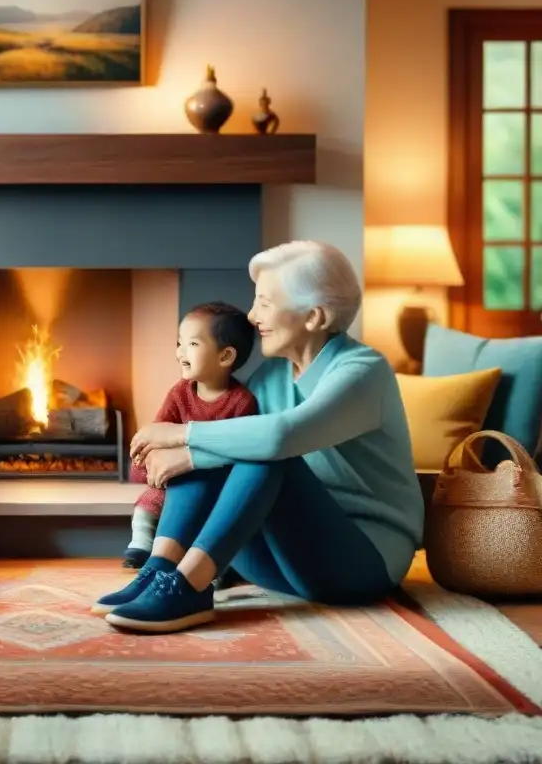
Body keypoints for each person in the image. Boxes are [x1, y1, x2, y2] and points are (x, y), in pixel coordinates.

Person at [92, 240, 424, 634]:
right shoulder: (270, 378)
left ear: (314, 317)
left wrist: (183, 438)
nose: (251, 316)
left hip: (360, 565)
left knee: (256, 450)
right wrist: (193, 450)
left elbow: (283, 436)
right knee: (227, 445)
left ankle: (191, 586)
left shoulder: (363, 372)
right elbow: (239, 444)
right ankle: (160, 570)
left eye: (265, 303)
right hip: (282, 563)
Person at [123, 302, 258, 569]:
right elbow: (161, 428)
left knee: (205, 505)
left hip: (212, 474)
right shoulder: (181, 391)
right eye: (179, 342)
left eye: (192, 344)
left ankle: (211, 561)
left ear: (225, 356)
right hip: (176, 472)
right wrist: (154, 456)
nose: (180, 352)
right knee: (148, 497)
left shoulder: (241, 402)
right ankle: (141, 542)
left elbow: (238, 449)